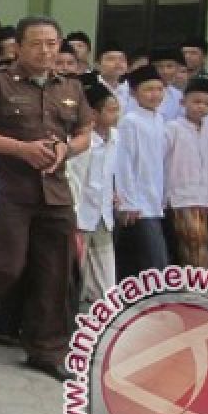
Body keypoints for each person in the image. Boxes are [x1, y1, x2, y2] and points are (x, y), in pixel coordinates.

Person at [0, 16, 92, 382]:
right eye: (37, 43)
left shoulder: (70, 87)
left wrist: (67, 149)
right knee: (4, 266)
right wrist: (21, 149)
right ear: (18, 48)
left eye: (53, 43)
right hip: (9, 190)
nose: (45, 51)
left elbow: (86, 130)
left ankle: (47, 348)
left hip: (55, 192)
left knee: (56, 273)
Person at [113, 65, 170, 278]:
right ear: (134, 93)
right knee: (154, 258)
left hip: (154, 198)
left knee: (143, 257)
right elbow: (124, 163)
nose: (155, 94)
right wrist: (128, 200)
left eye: (159, 89)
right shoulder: (130, 121)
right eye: (149, 89)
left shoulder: (159, 119)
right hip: (138, 201)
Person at [164, 77, 208, 269]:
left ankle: (198, 284)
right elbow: (163, 164)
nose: (201, 107)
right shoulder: (172, 129)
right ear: (183, 102)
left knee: (201, 241)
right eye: (196, 102)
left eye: (207, 104)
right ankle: (196, 284)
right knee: (191, 241)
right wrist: (165, 195)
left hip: (202, 197)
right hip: (180, 195)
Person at [69, 82, 120, 301]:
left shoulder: (115, 137)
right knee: (75, 268)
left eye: (117, 109)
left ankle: (104, 310)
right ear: (93, 113)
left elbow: (111, 172)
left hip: (103, 211)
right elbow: (75, 177)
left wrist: (115, 192)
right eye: (110, 110)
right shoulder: (82, 142)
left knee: (106, 273)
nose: (116, 115)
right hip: (81, 213)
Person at [149, 48, 184, 121]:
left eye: (169, 66)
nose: (165, 71)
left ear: (178, 68)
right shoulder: (139, 91)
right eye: (159, 67)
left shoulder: (178, 95)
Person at [96, 44, 130, 109]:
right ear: (98, 65)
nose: (118, 63)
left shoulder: (130, 89)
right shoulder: (89, 87)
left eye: (122, 59)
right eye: (111, 59)